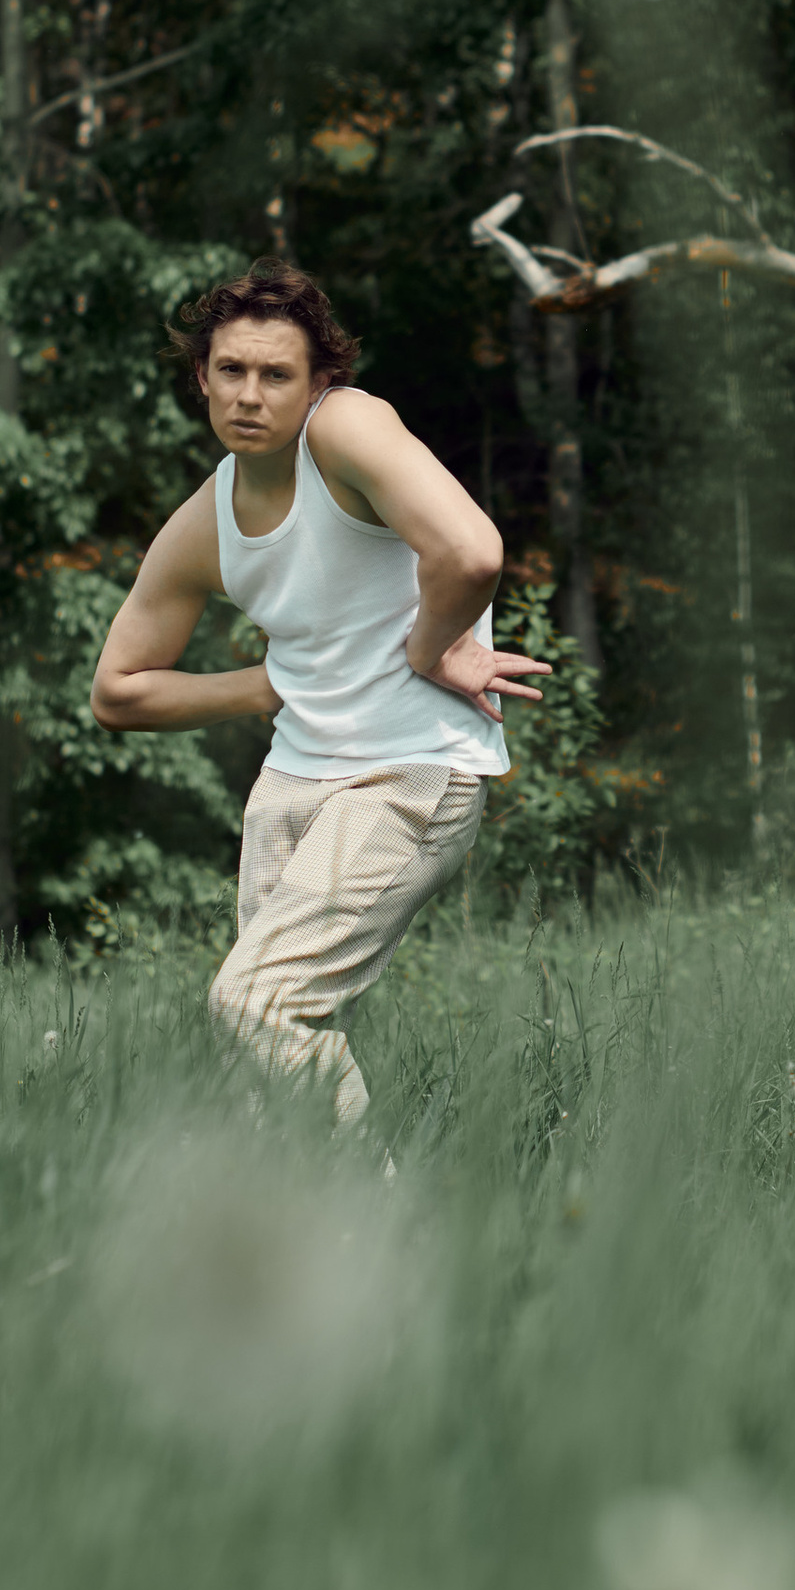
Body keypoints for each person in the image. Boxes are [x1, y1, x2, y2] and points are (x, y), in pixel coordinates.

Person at [90, 261, 551, 1127]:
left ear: (317, 384)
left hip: (407, 774)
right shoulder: (205, 522)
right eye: (231, 371)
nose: (250, 395)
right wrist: (267, 683)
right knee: (257, 1054)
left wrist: (429, 647)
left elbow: (473, 553)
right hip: (290, 788)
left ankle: (376, 1227)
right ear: (202, 378)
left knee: (255, 1004)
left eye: (277, 375)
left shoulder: (348, 428)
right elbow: (118, 692)